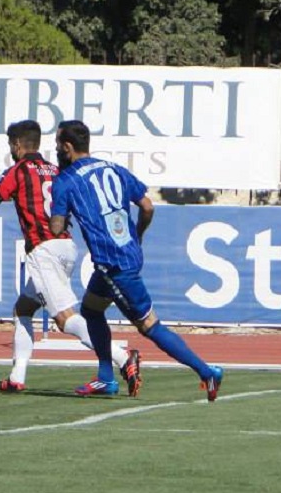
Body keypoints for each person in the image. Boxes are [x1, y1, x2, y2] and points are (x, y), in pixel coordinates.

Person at [0, 120, 142, 396]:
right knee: (23, 308)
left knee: (66, 319)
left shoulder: (18, 172)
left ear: (16, 145)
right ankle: (17, 376)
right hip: (66, 246)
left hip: (44, 251)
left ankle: (123, 358)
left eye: (10, 145)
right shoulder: (57, 170)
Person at [49, 120, 224, 401]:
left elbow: (57, 227)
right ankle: (106, 378)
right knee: (91, 310)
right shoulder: (114, 169)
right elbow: (147, 206)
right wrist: (137, 235)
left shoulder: (65, 180)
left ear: (67, 147)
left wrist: (58, 215)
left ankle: (206, 372)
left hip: (113, 263)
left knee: (149, 325)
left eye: (58, 144)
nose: (57, 149)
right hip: (125, 254)